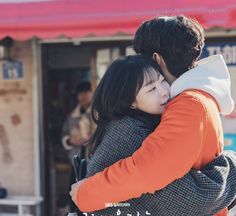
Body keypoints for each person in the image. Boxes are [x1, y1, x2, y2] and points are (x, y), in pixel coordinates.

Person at [70, 16, 235, 216]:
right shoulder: (193, 98)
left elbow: (147, 172)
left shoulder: (190, 103)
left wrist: (85, 193)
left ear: (156, 59)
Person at [62, 81, 95, 212]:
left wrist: (91, 139)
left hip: (94, 159)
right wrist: (70, 141)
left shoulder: (98, 113)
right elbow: (64, 134)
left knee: (91, 192)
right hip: (75, 160)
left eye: (86, 93)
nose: (83, 96)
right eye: (80, 94)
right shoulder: (72, 116)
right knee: (73, 191)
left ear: (92, 94)